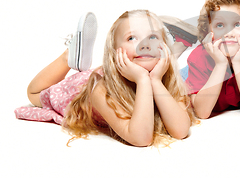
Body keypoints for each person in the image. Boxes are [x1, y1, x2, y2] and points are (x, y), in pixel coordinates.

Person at [15, 10, 196, 147]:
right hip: (79, 90)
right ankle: (69, 55)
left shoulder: (168, 82)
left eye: (153, 37)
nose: (144, 44)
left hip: (112, 74)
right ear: (114, 52)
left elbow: (180, 131)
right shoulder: (100, 91)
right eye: (132, 37)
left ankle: (75, 57)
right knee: (34, 94)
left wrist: (155, 81)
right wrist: (142, 80)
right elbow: (142, 138)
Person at [186, 0, 240, 119]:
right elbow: (202, 113)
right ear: (207, 33)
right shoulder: (198, 58)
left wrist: (238, 63)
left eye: (237, 24)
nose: (229, 33)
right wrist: (221, 64)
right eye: (220, 25)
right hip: (190, 75)